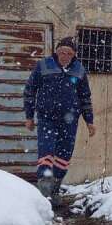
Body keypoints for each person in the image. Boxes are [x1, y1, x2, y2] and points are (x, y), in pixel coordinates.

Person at [23, 37, 96, 203]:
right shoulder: (44, 66)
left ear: (74, 55)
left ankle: (55, 190)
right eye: (61, 52)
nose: (64, 56)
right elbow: (30, 91)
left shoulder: (79, 70)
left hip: (69, 121)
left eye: (69, 53)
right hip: (47, 118)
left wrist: (89, 121)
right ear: (56, 52)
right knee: (46, 153)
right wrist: (29, 116)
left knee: (64, 156)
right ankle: (44, 195)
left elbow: (85, 97)